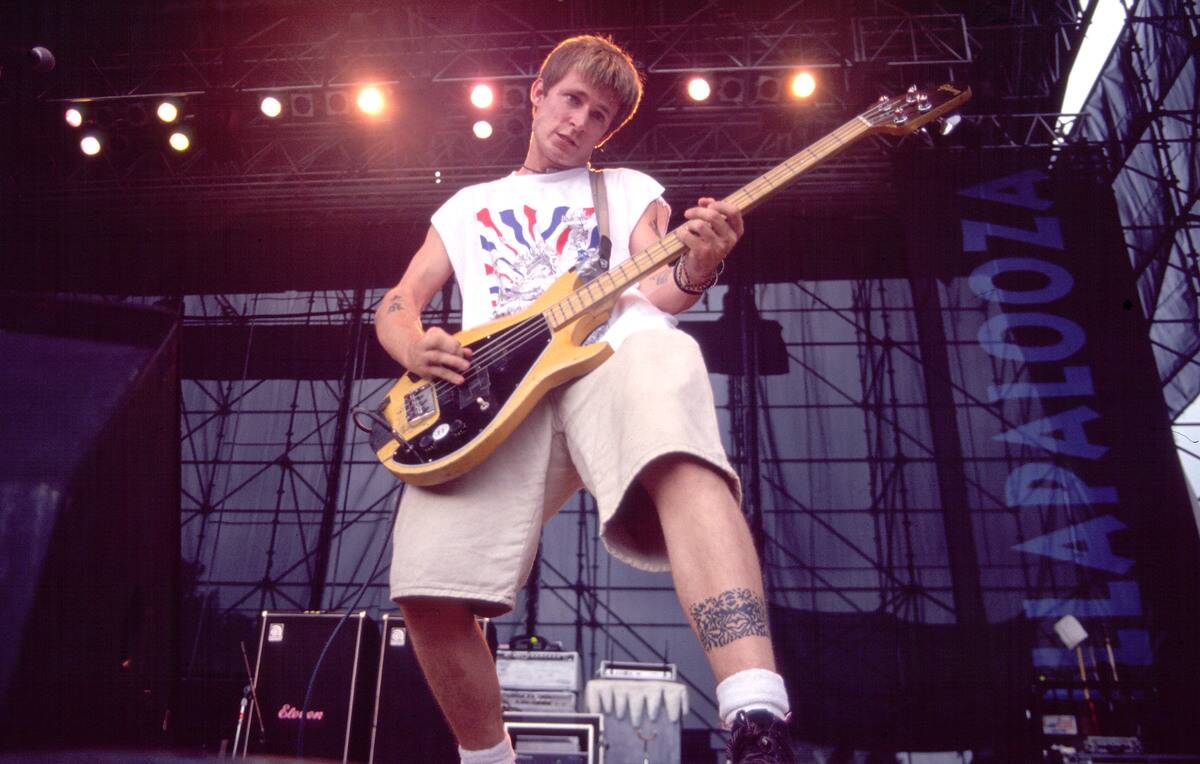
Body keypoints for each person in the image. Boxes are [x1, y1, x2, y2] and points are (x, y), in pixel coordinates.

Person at [374, 34, 795, 764]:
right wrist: (415, 346)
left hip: (606, 358)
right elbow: (398, 301)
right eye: (571, 100)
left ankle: (755, 713)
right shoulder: (468, 204)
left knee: (671, 393)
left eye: (599, 116)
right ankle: (489, 760)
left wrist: (701, 265)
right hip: (492, 397)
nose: (579, 121)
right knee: (426, 588)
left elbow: (661, 291)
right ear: (537, 94)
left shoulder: (628, 189)